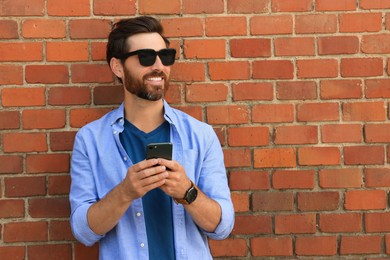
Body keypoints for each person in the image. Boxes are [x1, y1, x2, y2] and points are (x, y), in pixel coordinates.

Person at [69, 16, 235, 260]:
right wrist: (125, 192)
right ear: (117, 67)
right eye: (146, 57)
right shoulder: (90, 140)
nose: (158, 66)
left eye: (165, 56)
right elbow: (83, 232)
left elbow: (222, 226)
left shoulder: (200, 135)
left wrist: (187, 191)